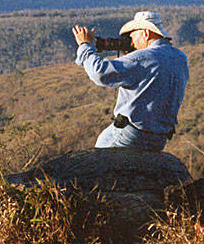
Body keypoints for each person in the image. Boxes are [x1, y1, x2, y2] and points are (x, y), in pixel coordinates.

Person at [72, 11, 189, 151]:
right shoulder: (180, 57)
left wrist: (85, 46)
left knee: (97, 164)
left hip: (130, 135)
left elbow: (100, 73)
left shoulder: (142, 58)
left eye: (132, 35)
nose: (131, 41)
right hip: (159, 139)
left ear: (146, 33)